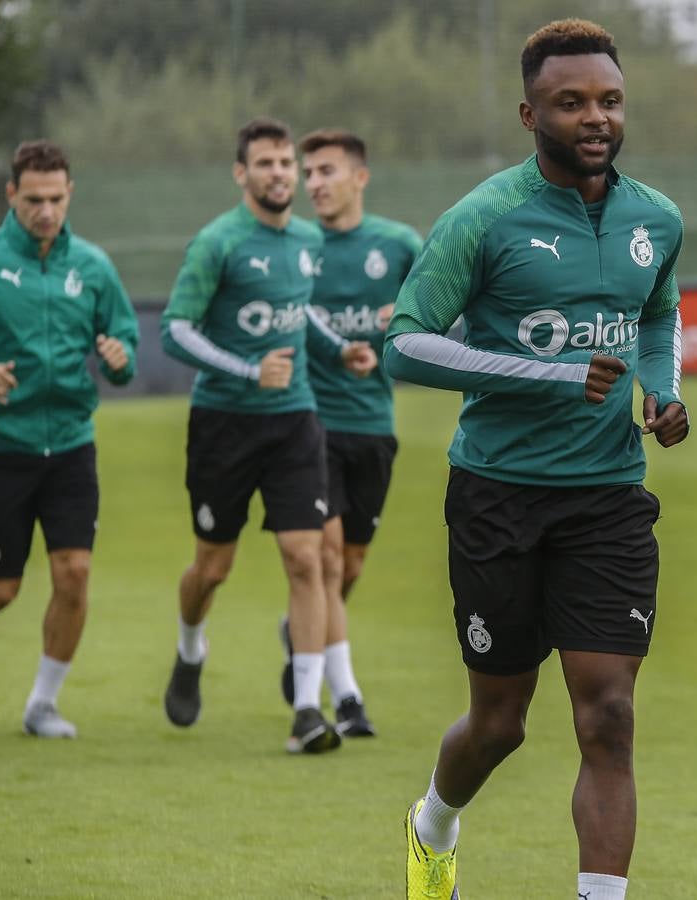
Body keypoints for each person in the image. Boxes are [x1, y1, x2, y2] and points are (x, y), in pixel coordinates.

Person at [385, 20, 689, 900]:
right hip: (497, 497)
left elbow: (658, 317)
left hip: (607, 497)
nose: (595, 118)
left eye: (608, 100)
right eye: (571, 103)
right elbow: (406, 345)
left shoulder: (656, 218)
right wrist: (546, 374)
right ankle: (433, 821)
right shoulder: (484, 218)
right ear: (530, 113)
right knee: (500, 724)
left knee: (610, 714)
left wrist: (661, 391)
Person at [158, 117, 376, 754]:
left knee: (308, 559)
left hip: (296, 420)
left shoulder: (308, 239)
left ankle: (308, 709)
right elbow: (176, 329)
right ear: (241, 173)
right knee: (212, 567)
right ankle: (191, 646)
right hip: (223, 425)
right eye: (267, 163)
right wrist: (249, 370)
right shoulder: (217, 242)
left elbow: (297, 308)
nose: (281, 173)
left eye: (287, 163)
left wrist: (337, 350)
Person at [0, 139, 138, 738]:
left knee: (74, 573)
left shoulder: (94, 267)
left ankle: (42, 705)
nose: (46, 211)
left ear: (69, 194)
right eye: (33, 200)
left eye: (55, 199)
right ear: (11, 196)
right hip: (0, 447)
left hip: (72, 445)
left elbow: (124, 347)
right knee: (1, 588)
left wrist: (119, 357)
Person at [272, 127, 424, 738]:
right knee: (325, 558)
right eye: (308, 173)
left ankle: (300, 630)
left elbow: (451, 306)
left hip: (373, 425)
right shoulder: (294, 246)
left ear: (359, 177)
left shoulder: (398, 244)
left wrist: (410, 313)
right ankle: (345, 699)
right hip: (309, 424)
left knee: (350, 564)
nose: (314, 184)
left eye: (326, 171)